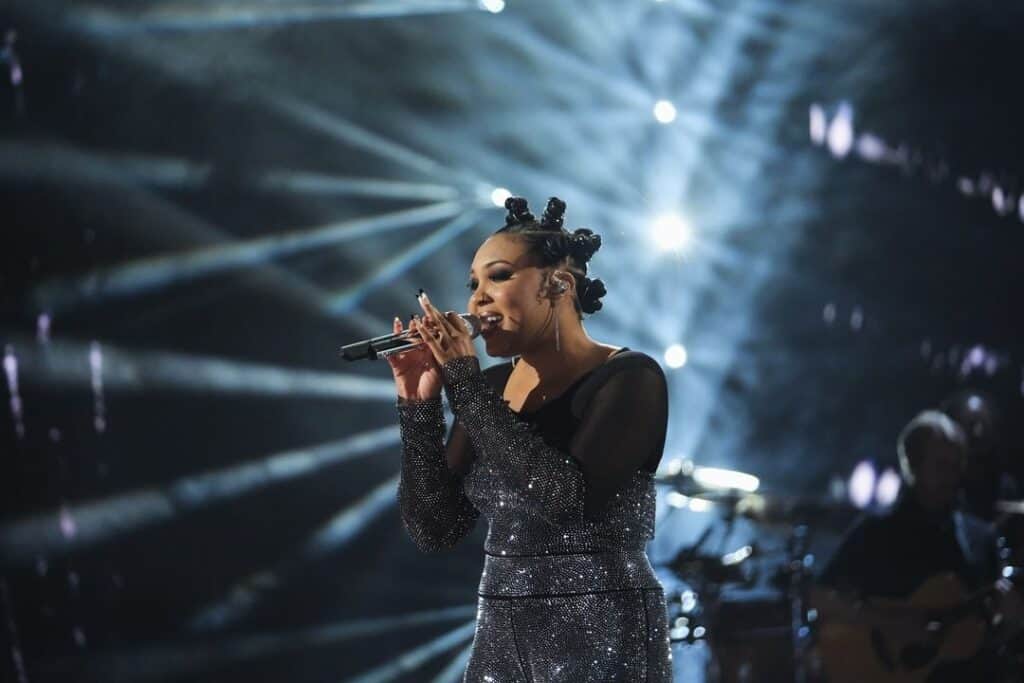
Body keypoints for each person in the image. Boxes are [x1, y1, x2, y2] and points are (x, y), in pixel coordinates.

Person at [387, 196, 673, 682]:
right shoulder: (492, 389)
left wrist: (464, 382)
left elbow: (564, 499)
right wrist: (419, 408)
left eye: (498, 276)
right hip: (500, 629)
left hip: (600, 626)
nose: (477, 299)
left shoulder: (630, 378)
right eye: (472, 284)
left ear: (557, 284)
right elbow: (434, 529)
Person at [816, 410, 1019, 681]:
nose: (952, 476)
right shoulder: (876, 531)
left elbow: (992, 631)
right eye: (941, 465)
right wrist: (890, 623)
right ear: (912, 465)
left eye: (957, 465)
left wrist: (1011, 622)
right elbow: (820, 597)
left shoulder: (981, 538)